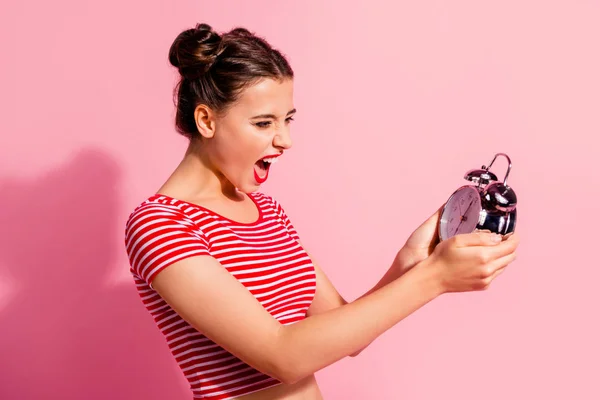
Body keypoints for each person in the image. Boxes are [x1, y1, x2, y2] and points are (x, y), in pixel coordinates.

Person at [124, 23, 520, 400]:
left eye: (288, 120)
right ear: (207, 119)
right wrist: (435, 278)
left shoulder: (265, 210)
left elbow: (351, 337)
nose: (286, 140)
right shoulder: (161, 224)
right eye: (263, 123)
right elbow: (282, 357)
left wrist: (414, 261)